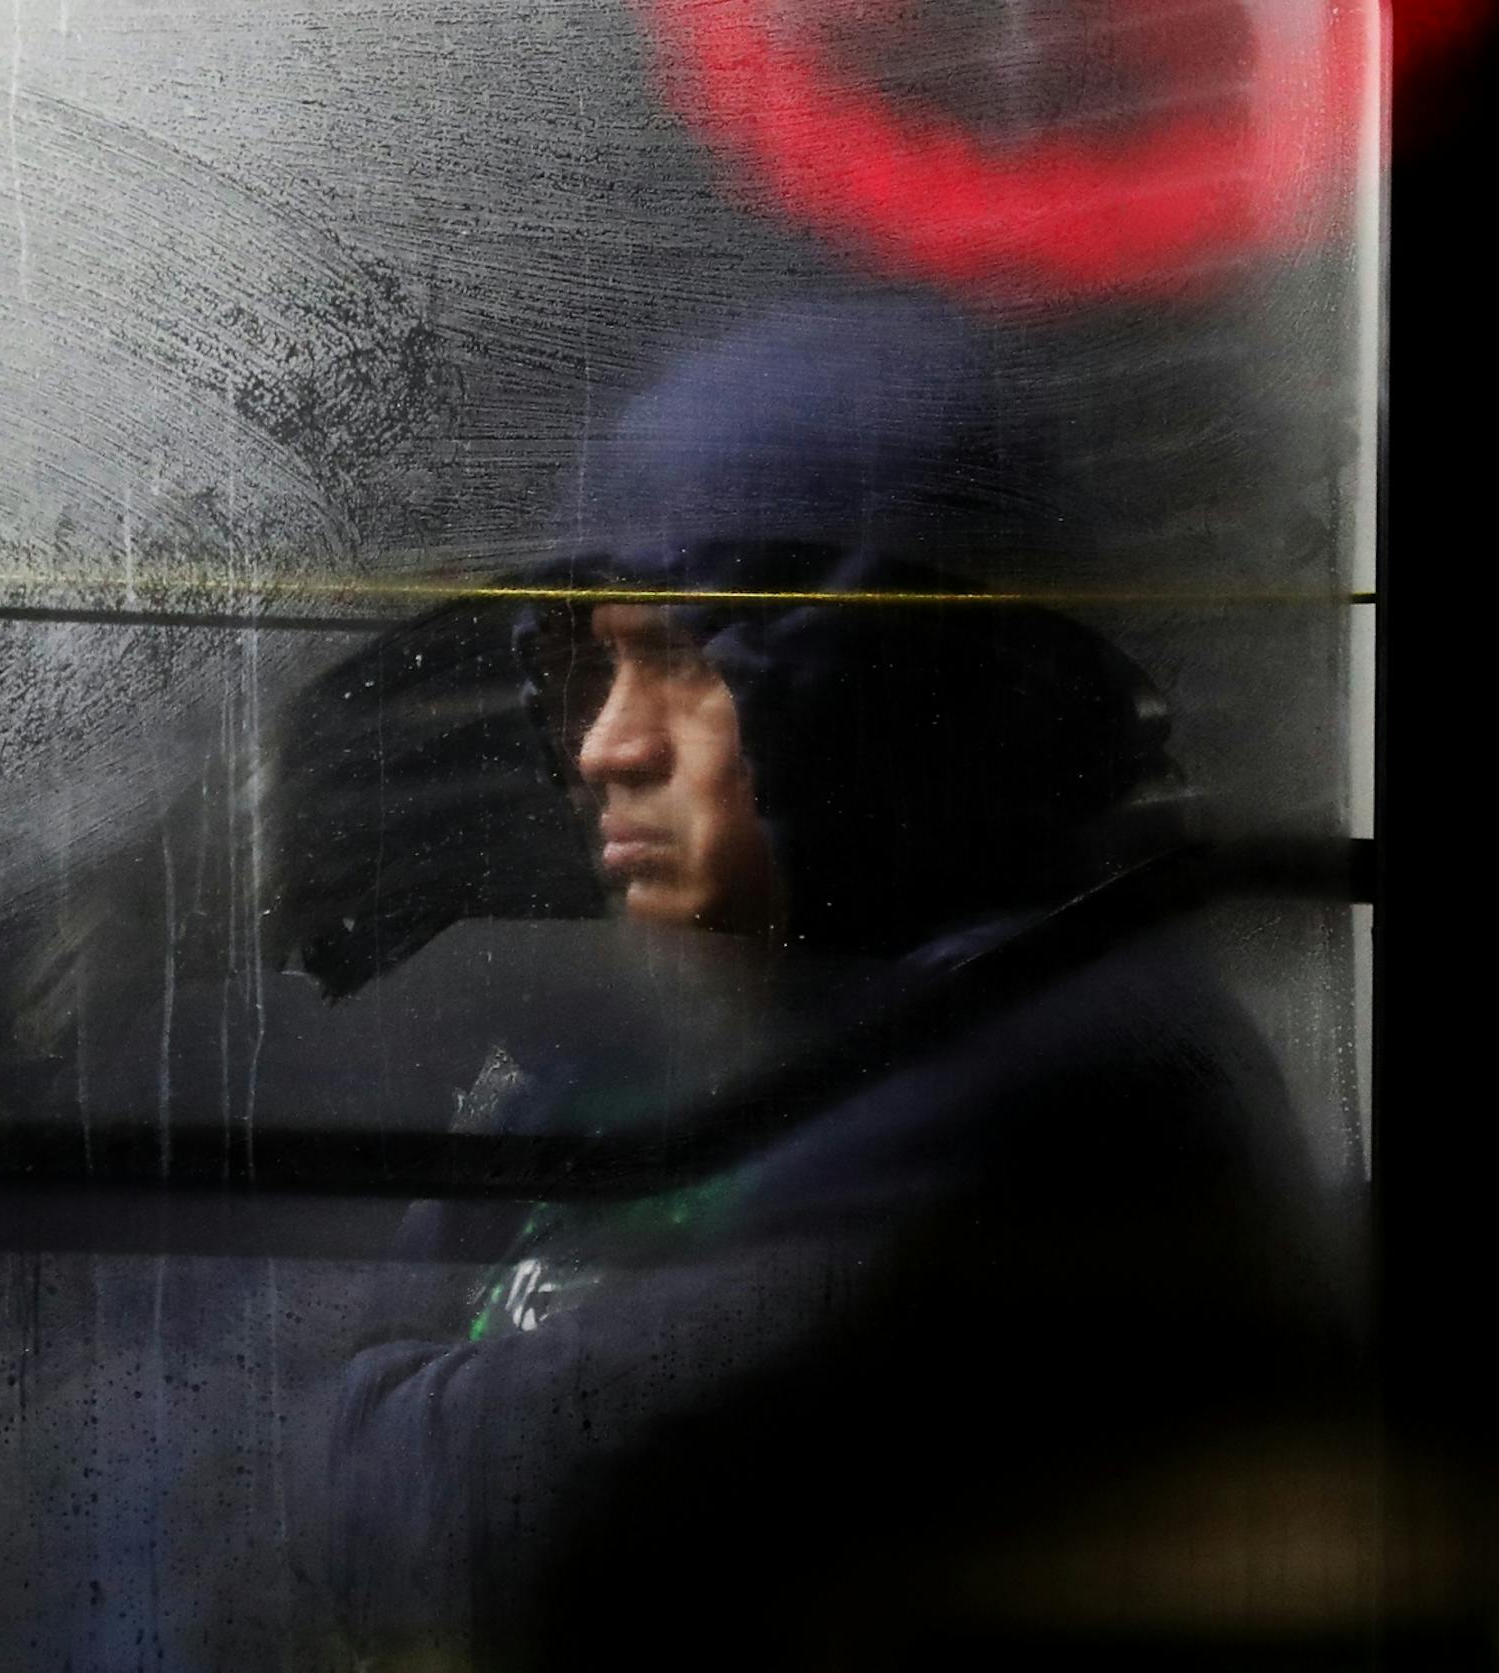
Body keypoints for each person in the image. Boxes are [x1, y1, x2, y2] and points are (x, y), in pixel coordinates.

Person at [292, 296, 1361, 1670]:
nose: (605, 748)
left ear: (871, 682)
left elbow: (480, 1523)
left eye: (677, 657)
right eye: (586, 668)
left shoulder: (1069, 1067)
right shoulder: (748, 1035)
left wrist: (368, 1380)